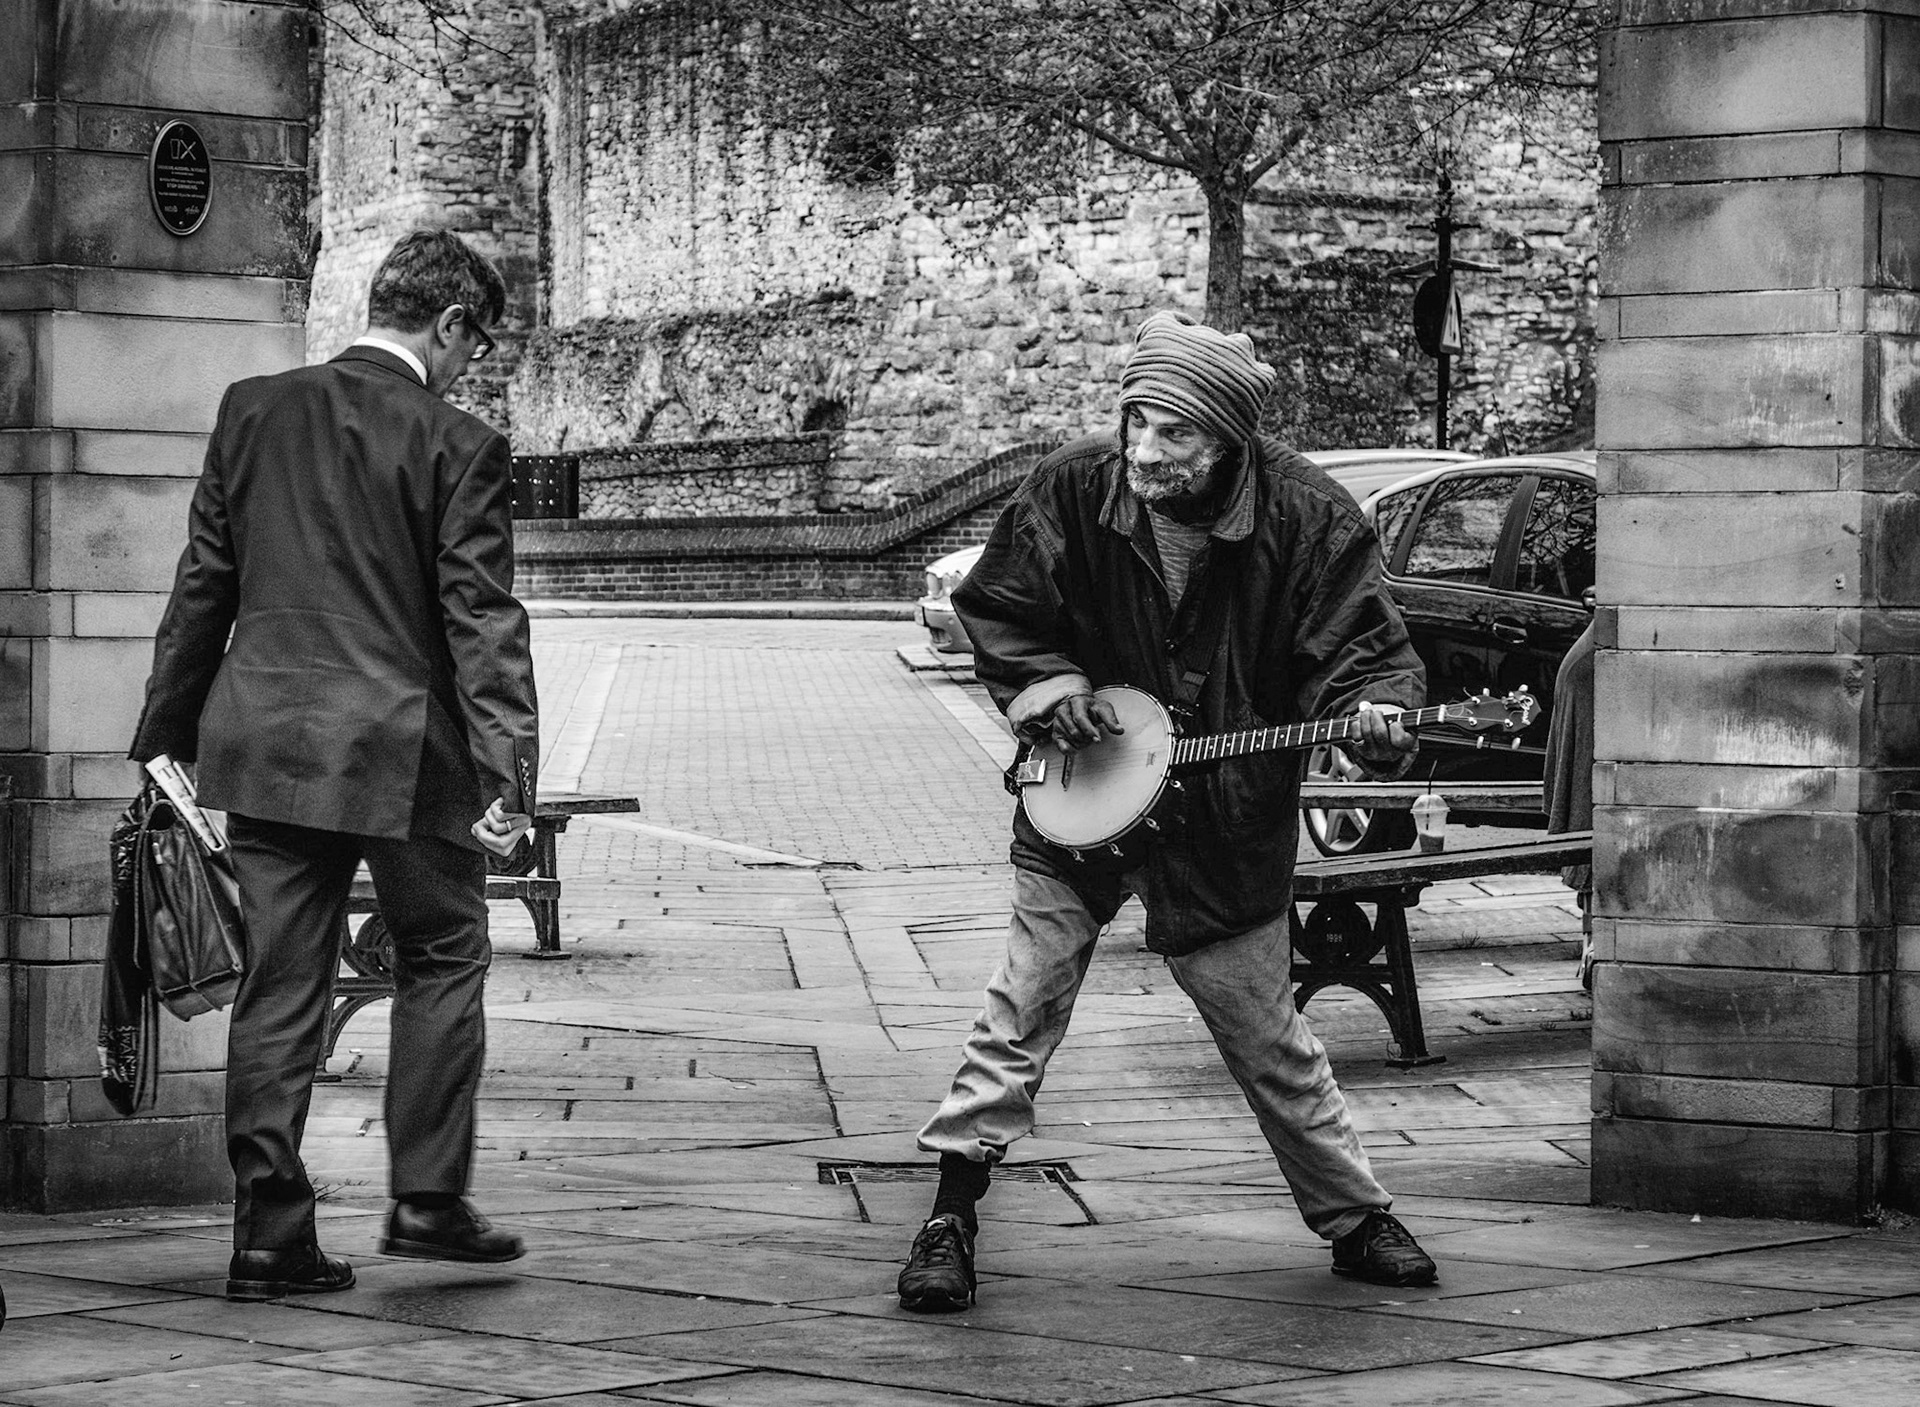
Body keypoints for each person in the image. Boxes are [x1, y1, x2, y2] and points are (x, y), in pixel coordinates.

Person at [896, 310, 1438, 1312]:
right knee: (1020, 1010)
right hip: (1079, 796)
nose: (1144, 450)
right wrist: (1052, 689)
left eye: (1174, 432)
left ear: (1228, 438)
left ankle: (1358, 1216)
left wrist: (1377, 713)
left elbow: (1364, 650)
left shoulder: (1310, 520)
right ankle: (948, 1216)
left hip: (1224, 819)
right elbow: (1003, 607)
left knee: (1267, 1035)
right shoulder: (1072, 486)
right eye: (1135, 422)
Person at [130, 229, 540, 1303]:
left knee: (280, 983)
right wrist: (508, 773)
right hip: (406, 757)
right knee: (444, 952)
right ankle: (429, 1198)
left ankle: (270, 1232)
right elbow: (481, 620)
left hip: (266, 746)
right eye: (474, 346)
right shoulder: (459, 442)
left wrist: (165, 736)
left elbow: (204, 583)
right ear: (447, 323)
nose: (469, 368)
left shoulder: (252, 409)